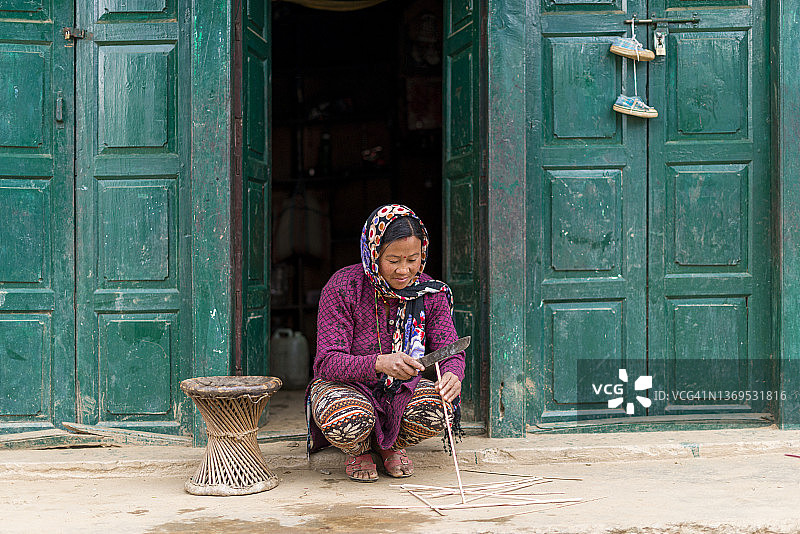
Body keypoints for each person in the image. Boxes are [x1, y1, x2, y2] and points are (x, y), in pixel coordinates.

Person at [306, 204, 465, 482]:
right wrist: (380, 363)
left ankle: (389, 444)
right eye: (393, 260)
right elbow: (327, 362)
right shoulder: (344, 287)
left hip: (400, 390)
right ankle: (358, 448)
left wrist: (453, 373)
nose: (404, 270)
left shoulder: (429, 291)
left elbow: (449, 346)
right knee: (349, 420)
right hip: (346, 387)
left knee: (441, 406)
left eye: (413, 259)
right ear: (373, 254)